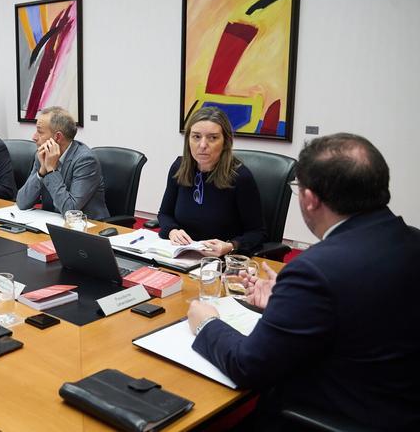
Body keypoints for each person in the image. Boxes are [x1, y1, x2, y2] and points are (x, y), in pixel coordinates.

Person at [188, 133, 420, 429]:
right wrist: (289, 303)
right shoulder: (411, 240)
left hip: (339, 414)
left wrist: (207, 324)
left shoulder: (315, 270)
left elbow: (248, 366)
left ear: (310, 199)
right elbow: (367, 310)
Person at [156, 107, 266, 256]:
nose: (202, 145)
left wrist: (231, 246)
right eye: (196, 137)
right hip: (180, 255)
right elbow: (164, 214)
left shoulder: (240, 177)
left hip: (220, 260)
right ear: (188, 140)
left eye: (212, 138)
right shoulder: (179, 168)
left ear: (225, 142)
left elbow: (257, 232)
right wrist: (172, 231)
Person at [15, 106, 108, 219]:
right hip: (52, 221)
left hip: (88, 225)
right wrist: (42, 171)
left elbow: (70, 210)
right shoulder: (42, 154)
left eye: (40, 132)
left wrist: (51, 171)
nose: (34, 137)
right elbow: (22, 202)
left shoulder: (85, 160)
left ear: (58, 137)